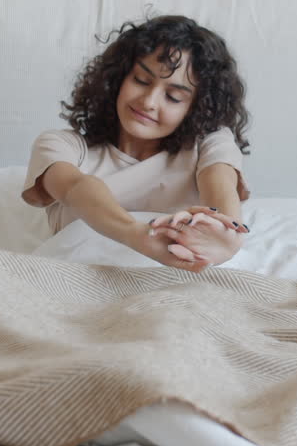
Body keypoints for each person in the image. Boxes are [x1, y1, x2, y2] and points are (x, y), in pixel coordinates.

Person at [22, 15, 252, 272]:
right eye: (141, 80)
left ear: (195, 107)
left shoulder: (208, 145)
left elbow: (219, 185)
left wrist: (224, 236)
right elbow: (76, 187)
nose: (149, 102)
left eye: (173, 97)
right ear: (118, 77)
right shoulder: (62, 146)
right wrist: (138, 236)